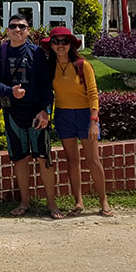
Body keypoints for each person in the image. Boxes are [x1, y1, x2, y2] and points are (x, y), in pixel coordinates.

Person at [0, 14, 63, 219]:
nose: (17, 30)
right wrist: (10, 91)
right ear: (7, 30)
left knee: (43, 158)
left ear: (28, 30)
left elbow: (47, 84)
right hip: (13, 112)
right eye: (13, 26)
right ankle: (24, 202)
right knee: (19, 159)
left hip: (37, 112)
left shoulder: (37, 53)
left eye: (22, 26)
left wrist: (46, 111)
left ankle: (52, 204)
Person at [41, 26, 113, 217]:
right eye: (56, 41)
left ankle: (103, 200)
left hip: (84, 115)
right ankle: (78, 201)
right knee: (72, 161)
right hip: (63, 116)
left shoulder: (83, 65)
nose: (61, 45)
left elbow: (93, 93)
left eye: (65, 41)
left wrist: (94, 120)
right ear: (51, 45)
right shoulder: (49, 66)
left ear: (71, 44)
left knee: (93, 160)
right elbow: (48, 93)